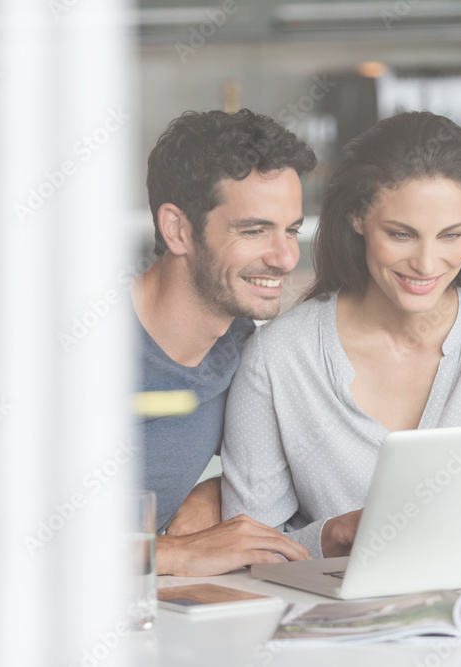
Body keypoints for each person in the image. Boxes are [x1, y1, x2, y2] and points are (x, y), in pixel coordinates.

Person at [220, 111, 461, 560]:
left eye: (451, 235)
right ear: (357, 218)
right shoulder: (277, 357)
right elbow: (249, 553)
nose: (428, 265)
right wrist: (332, 535)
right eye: (401, 234)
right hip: (338, 619)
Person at [134, 109, 316, 575]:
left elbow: (283, 467)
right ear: (177, 229)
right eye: (254, 230)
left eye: (292, 229)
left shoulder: (238, 347)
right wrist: (175, 552)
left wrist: (211, 492)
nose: (285, 257)